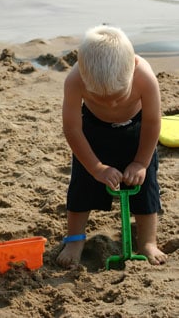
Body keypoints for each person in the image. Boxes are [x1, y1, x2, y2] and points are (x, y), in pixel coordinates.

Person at [57, 25, 168, 269]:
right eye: (101, 98)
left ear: (133, 65)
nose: (113, 103)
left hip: (137, 130)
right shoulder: (74, 80)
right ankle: (75, 239)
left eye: (120, 95)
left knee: (145, 183)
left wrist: (141, 162)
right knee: (82, 185)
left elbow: (152, 122)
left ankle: (148, 241)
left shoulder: (144, 75)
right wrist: (96, 168)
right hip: (94, 132)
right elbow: (72, 129)